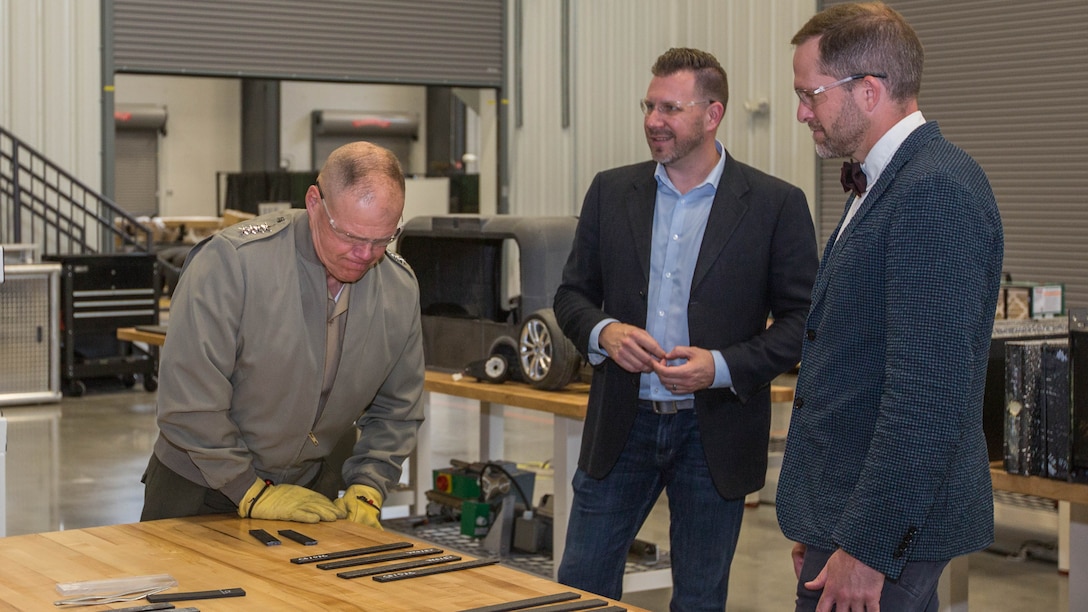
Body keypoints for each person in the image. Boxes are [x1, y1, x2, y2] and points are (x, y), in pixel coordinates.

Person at [554, 47, 818, 610]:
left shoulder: (775, 205)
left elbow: (802, 323)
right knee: (580, 587)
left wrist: (719, 368)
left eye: (670, 108)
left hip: (714, 433)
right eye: (649, 106)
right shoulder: (610, 191)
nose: (654, 121)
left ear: (713, 113)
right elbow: (571, 295)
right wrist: (605, 333)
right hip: (621, 428)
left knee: (699, 597)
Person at [775, 3, 1005, 611]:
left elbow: (928, 393)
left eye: (810, 94)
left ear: (869, 90)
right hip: (852, 512)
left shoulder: (933, 190)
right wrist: (823, 520)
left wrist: (868, 546)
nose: (802, 111)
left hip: (886, 532)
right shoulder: (883, 181)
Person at [141, 141, 425, 527]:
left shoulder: (399, 288)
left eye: (381, 240)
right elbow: (188, 401)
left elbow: (398, 408)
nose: (365, 255)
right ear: (314, 203)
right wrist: (248, 489)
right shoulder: (233, 264)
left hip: (309, 498)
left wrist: (370, 482)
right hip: (198, 491)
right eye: (351, 237)